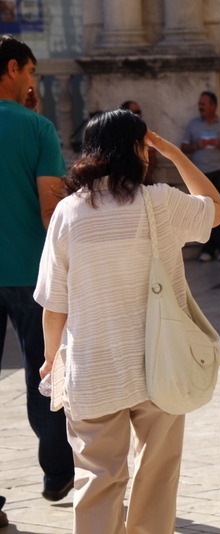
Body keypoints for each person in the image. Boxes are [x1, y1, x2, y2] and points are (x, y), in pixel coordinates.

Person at [35, 109, 220, 532]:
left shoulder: (68, 212)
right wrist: (175, 153)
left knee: (97, 478)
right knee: (157, 475)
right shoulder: (161, 201)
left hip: (93, 367)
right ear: (138, 149)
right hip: (160, 363)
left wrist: (50, 358)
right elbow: (217, 210)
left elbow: (54, 304)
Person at [0, 34, 75, 504]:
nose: (32, 81)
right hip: (31, 273)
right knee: (45, 371)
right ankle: (57, 471)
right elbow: (52, 211)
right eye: (30, 72)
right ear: (13, 68)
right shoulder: (37, 129)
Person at [181, 90, 220, 261]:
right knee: (204, 209)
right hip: (200, 174)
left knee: (217, 209)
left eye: (203, 104)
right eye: (199, 104)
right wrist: (197, 146)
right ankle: (216, 248)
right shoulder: (193, 125)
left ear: (214, 106)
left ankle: (211, 249)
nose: (200, 107)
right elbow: (183, 148)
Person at [120, 100, 157, 180]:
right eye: (135, 112)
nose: (139, 115)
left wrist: (144, 178)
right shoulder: (118, 133)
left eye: (139, 112)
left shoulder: (143, 132)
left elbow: (152, 157)